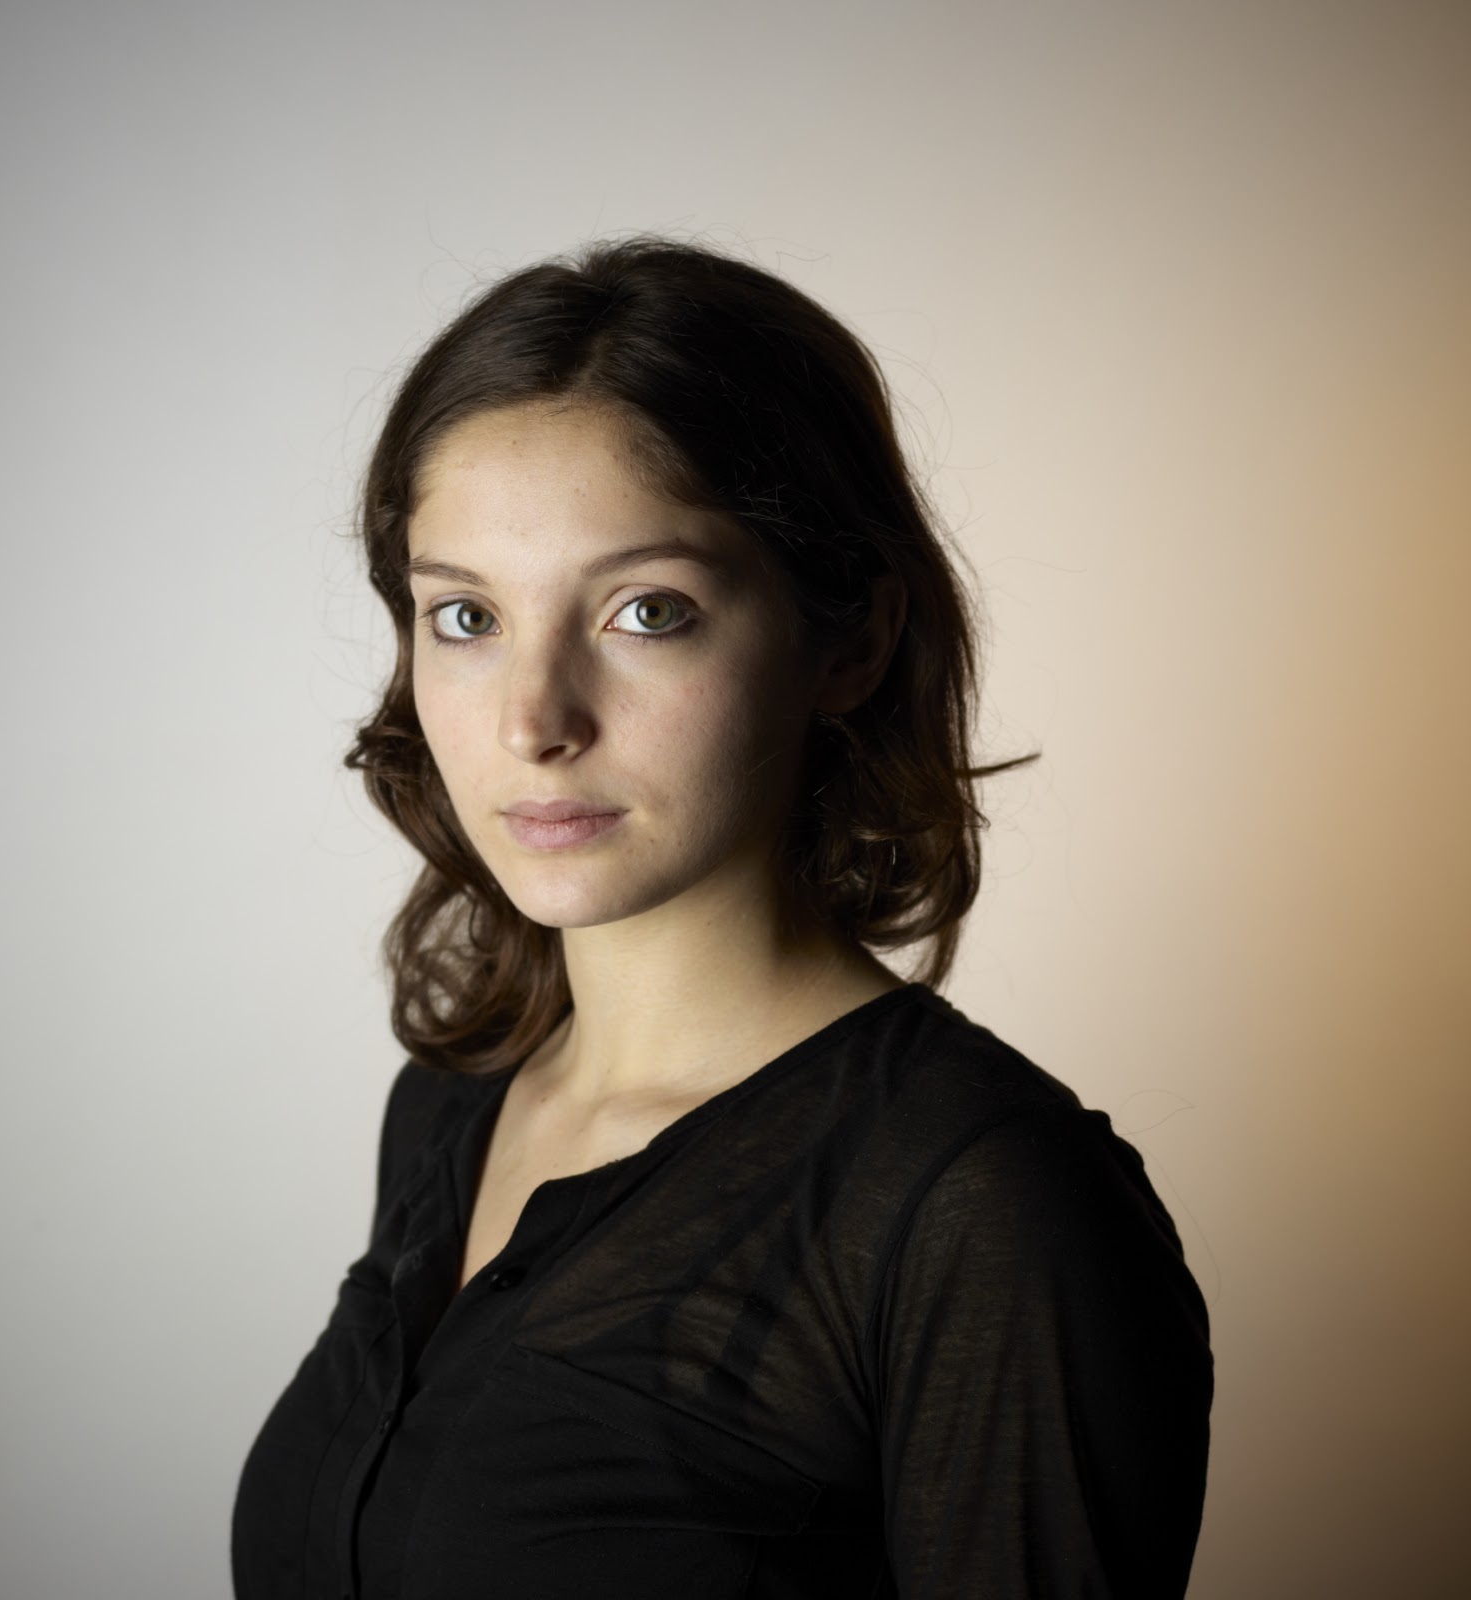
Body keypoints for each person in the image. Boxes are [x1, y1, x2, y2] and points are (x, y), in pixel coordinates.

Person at [230, 235, 1213, 1599]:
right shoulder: (453, 1101)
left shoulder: (981, 1208)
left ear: (851, 640)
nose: (534, 722)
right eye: (464, 616)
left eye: (647, 610)